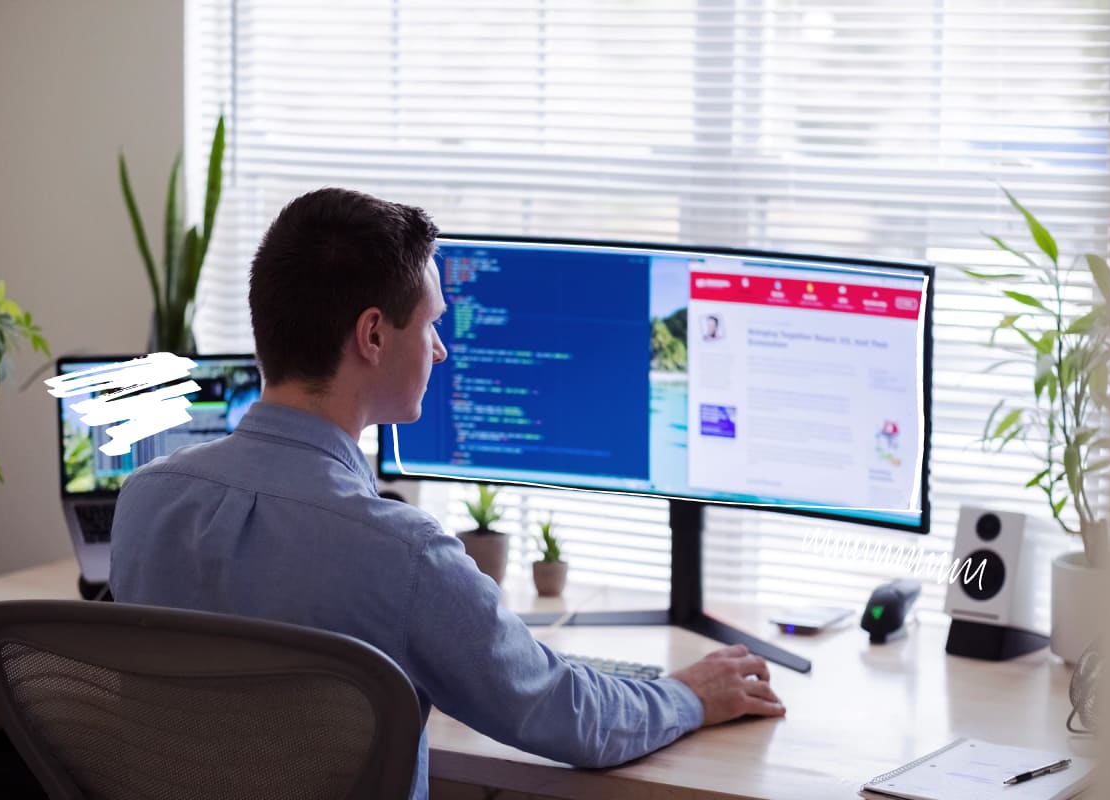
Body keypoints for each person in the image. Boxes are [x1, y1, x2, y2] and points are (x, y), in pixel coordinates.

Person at [110, 187, 784, 800]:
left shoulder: (145, 501)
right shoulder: (401, 554)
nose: (440, 352)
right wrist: (689, 696)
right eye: (431, 324)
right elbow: (562, 712)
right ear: (373, 335)